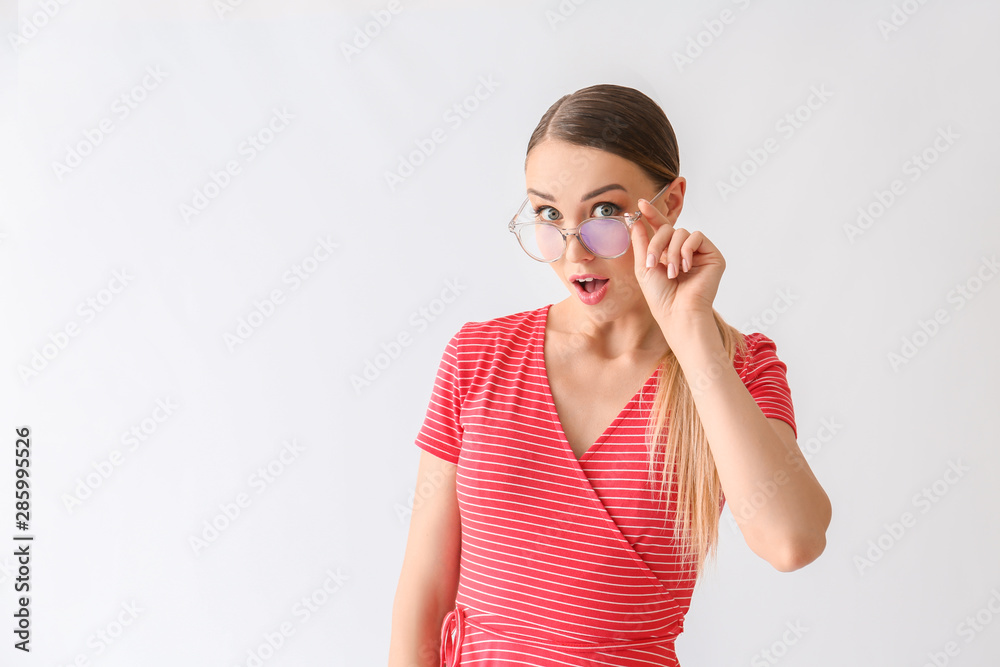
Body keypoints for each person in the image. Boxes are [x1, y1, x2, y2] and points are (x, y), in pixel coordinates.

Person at [389, 83, 832, 667]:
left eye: (604, 212)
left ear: (671, 203)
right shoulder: (480, 356)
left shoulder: (738, 368)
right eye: (548, 214)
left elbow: (790, 541)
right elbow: (424, 594)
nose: (575, 252)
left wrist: (692, 334)